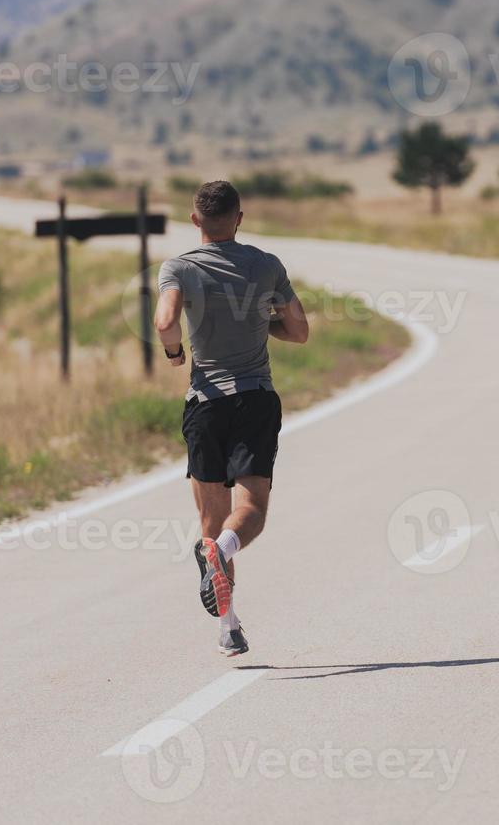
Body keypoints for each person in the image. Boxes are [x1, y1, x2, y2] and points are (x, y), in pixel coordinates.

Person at [153, 180, 309, 657]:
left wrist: (176, 352)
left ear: (194, 219)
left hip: (204, 405)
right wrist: (264, 323)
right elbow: (300, 330)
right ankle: (221, 555)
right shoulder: (266, 265)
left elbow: (163, 321)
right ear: (239, 217)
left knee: (212, 521)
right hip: (254, 400)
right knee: (250, 514)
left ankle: (229, 626)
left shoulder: (178, 267)